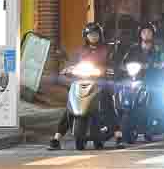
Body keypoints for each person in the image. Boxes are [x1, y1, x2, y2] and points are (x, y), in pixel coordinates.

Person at [48, 23, 114, 151]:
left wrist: (108, 70)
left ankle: (118, 135)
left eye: (95, 34)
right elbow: (74, 63)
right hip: (81, 82)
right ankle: (57, 138)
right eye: (90, 34)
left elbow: (112, 64)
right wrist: (69, 69)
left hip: (100, 83)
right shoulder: (81, 50)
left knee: (107, 103)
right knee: (70, 107)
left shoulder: (106, 49)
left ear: (100, 35)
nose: (93, 37)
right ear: (86, 36)